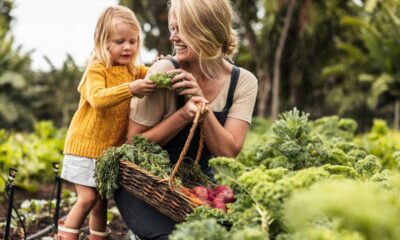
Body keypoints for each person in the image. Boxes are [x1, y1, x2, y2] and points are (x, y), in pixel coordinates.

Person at [114, 0, 258, 239]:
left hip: (196, 187)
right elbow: (133, 145)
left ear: (206, 30)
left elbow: (228, 151)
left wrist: (203, 106)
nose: (173, 38)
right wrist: (183, 115)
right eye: (172, 28)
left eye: (180, 29)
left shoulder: (243, 82)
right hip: (147, 184)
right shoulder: (164, 71)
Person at [57, 5, 155, 240]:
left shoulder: (133, 70)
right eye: (120, 41)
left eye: (132, 41)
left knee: (101, 204)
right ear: (103, 41)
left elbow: (153, 72)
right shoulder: (96, 69)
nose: (127, 47)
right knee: (88, 199)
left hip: (105, 154)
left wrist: (162, 66)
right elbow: (99, 99)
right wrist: (131, 89)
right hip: (84, 149)